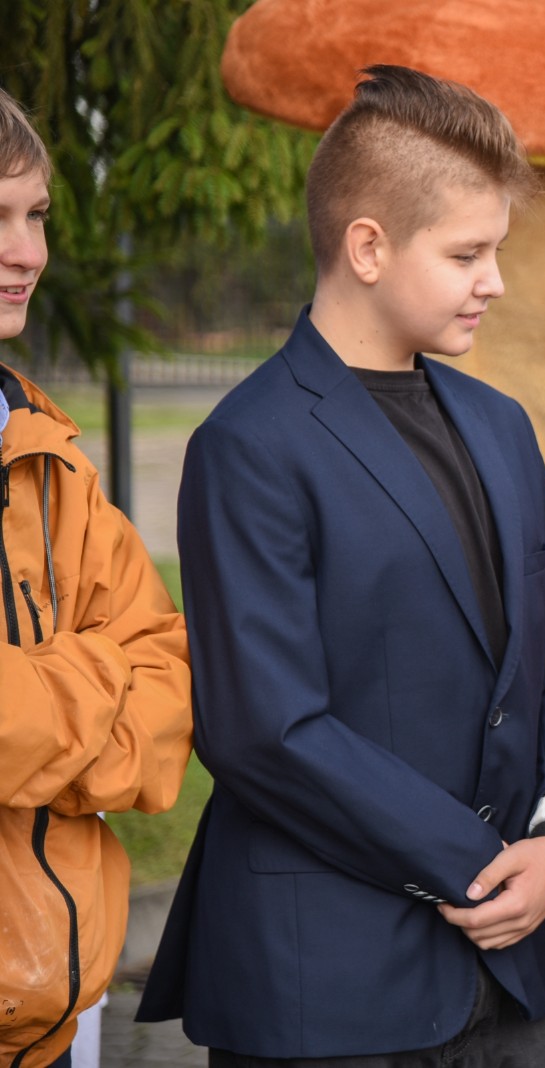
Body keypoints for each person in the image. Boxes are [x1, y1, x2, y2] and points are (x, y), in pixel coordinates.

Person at [136, 67, 545, 1067]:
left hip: (514, 985)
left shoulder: (501, 424)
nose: (496, 281)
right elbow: (266, 729)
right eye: (467, 254)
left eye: (497, 251)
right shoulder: (248, 445)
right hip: (327, 988)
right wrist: (485, 864)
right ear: (367, 247)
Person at [0, 87, 192, 1068]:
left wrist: (43, 721)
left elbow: (167, 693)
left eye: (34, 215)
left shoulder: (50, 455)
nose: (26, 252)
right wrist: (96, 669)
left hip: (61, 1019)